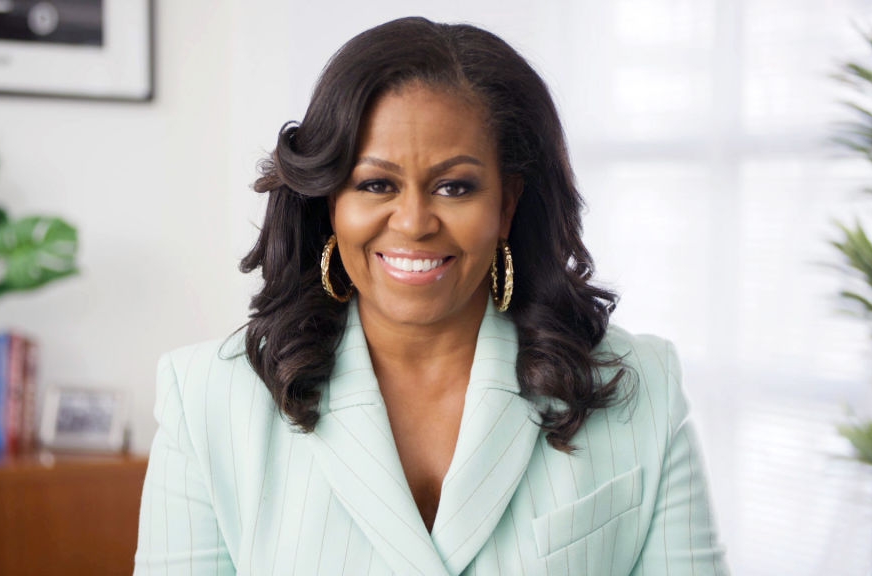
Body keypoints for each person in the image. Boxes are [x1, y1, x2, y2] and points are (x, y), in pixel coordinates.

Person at [133, 16, 728, 576]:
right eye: (376, 184)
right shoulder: (207, 400)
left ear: (507, 205)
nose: (415, 222)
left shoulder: (640, 389)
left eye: (454, 186)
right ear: (330, 202)